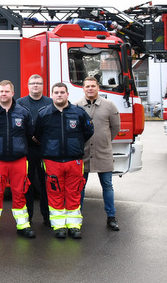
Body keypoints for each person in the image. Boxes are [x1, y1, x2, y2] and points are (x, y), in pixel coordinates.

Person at [34, 82, 94, 239]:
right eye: (56, 92)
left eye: (62, 92)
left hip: (74, 161)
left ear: (68, 94)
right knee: (55, 194)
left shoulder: (79, 113)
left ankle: (74, 226)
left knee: (74, 193)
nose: (59, 95)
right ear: (52, 95)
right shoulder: (43, 114)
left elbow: (88, 132)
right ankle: (59, 226)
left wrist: (75, 145)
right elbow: (38, 135)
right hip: (52, 161)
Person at [0, 80, 35, 239]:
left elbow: (29, 133)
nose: (3, 94)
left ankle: (23, 225)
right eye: (1, 91)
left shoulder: (23, 112)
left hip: (19, 161)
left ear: (13, 93)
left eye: (6, 91)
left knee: (20, 193)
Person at [75, 76, 121, 231]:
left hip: (103, 153)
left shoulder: (109, 106)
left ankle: (111, 217)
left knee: (107, 186)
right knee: (80, 187)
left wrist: (105, 141)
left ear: (98, 88)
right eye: (87, 86)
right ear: (83, 88)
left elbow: (115, 128)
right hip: (83, 154)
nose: (90, 89)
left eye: (93, 86)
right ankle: (77, 217)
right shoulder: (76, 107)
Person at [17, 74, 53, 226]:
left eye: (38, 83)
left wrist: (41, 138)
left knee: (46, 184)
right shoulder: (20, 102)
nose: (35, 86)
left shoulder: (50, 102)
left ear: (43, 86)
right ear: (28, 85)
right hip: (27, 149)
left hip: (46, 149)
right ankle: (29, 216)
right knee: (28, 184)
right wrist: (30, 137)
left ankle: (47, 216)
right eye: (32, 83)